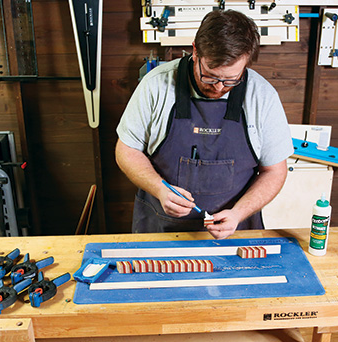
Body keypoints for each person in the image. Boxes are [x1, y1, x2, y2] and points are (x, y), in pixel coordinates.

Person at [115, 9, 293, 240]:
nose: (219, 88)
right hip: (161, 231)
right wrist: (159, 188)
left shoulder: (262, 96)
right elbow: (126, 150)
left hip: (234, 233)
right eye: (209, 76)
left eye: (230, 80)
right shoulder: (155, 86)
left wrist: (238, 213)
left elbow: (275, 171)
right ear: (195, 51)